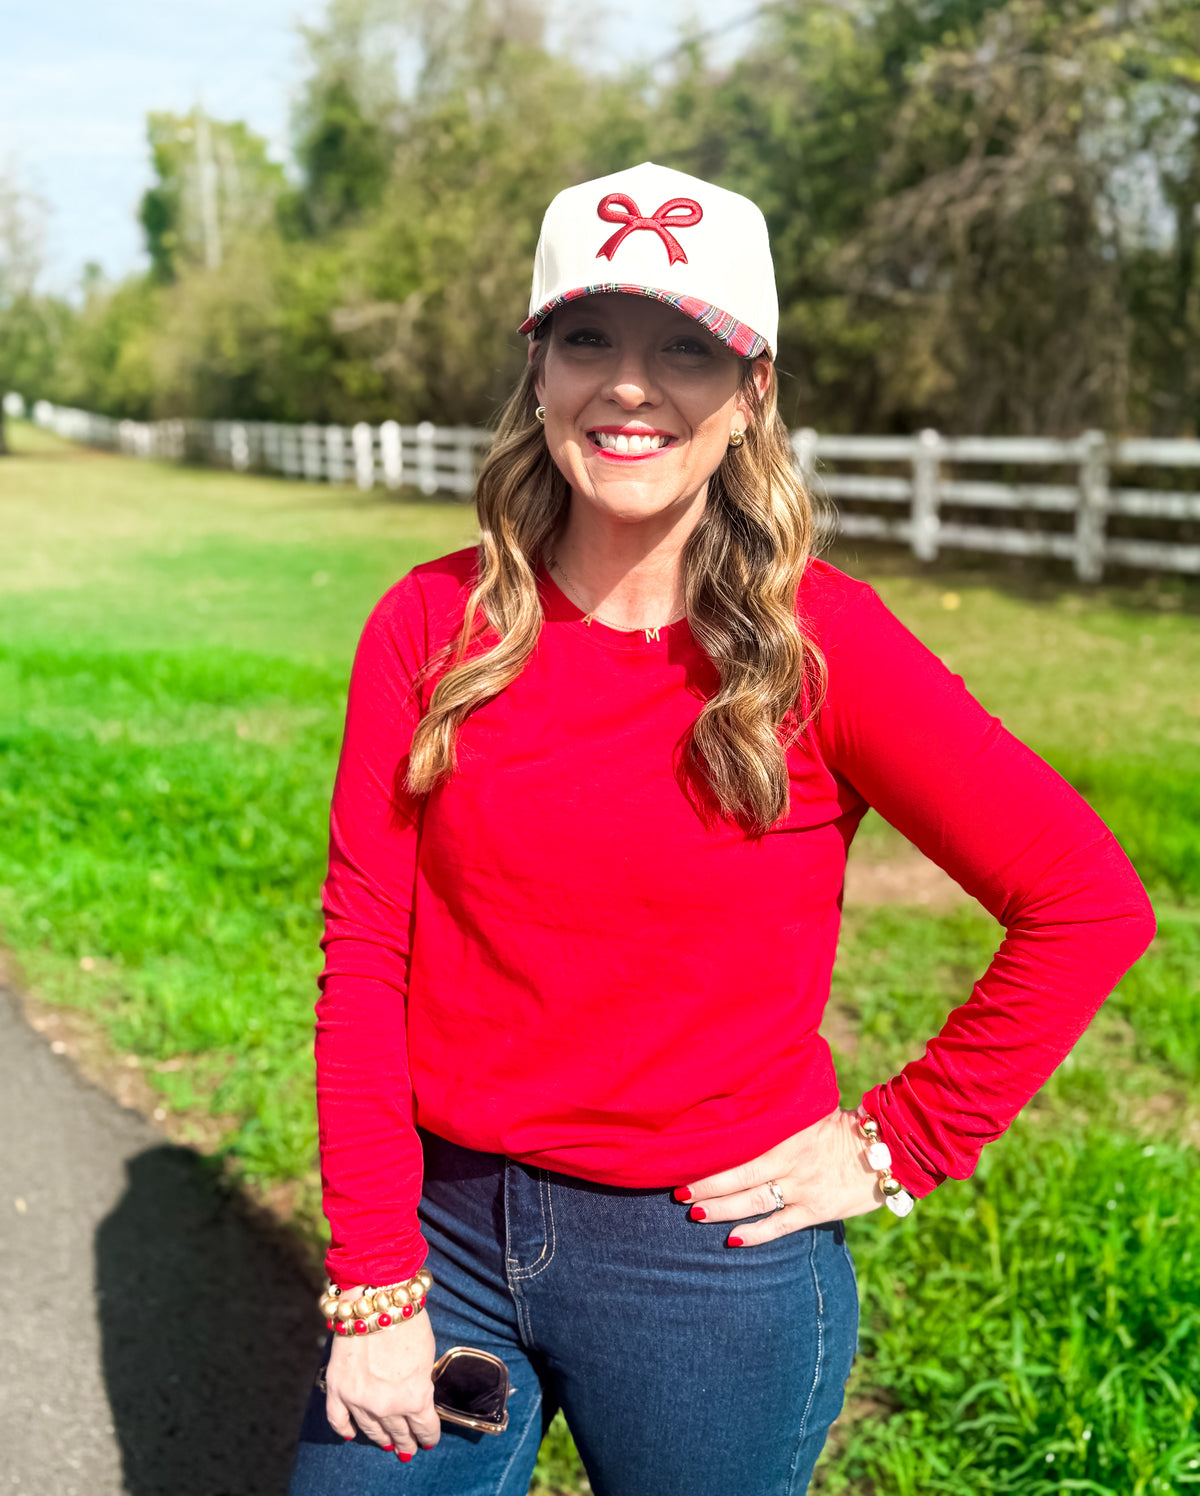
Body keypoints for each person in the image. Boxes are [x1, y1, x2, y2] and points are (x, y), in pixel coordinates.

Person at [288, 161, 1155, 1496]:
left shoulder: (824, 650)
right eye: (590, 338)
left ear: (752, 391)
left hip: (708, 1267)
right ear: (537, 366)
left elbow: (1087, 901)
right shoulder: (428, 627)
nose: (630, 387)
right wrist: (372, 1277)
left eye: (686, 347)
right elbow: (365, 953)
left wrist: (905, 1141)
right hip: (442, 1230)